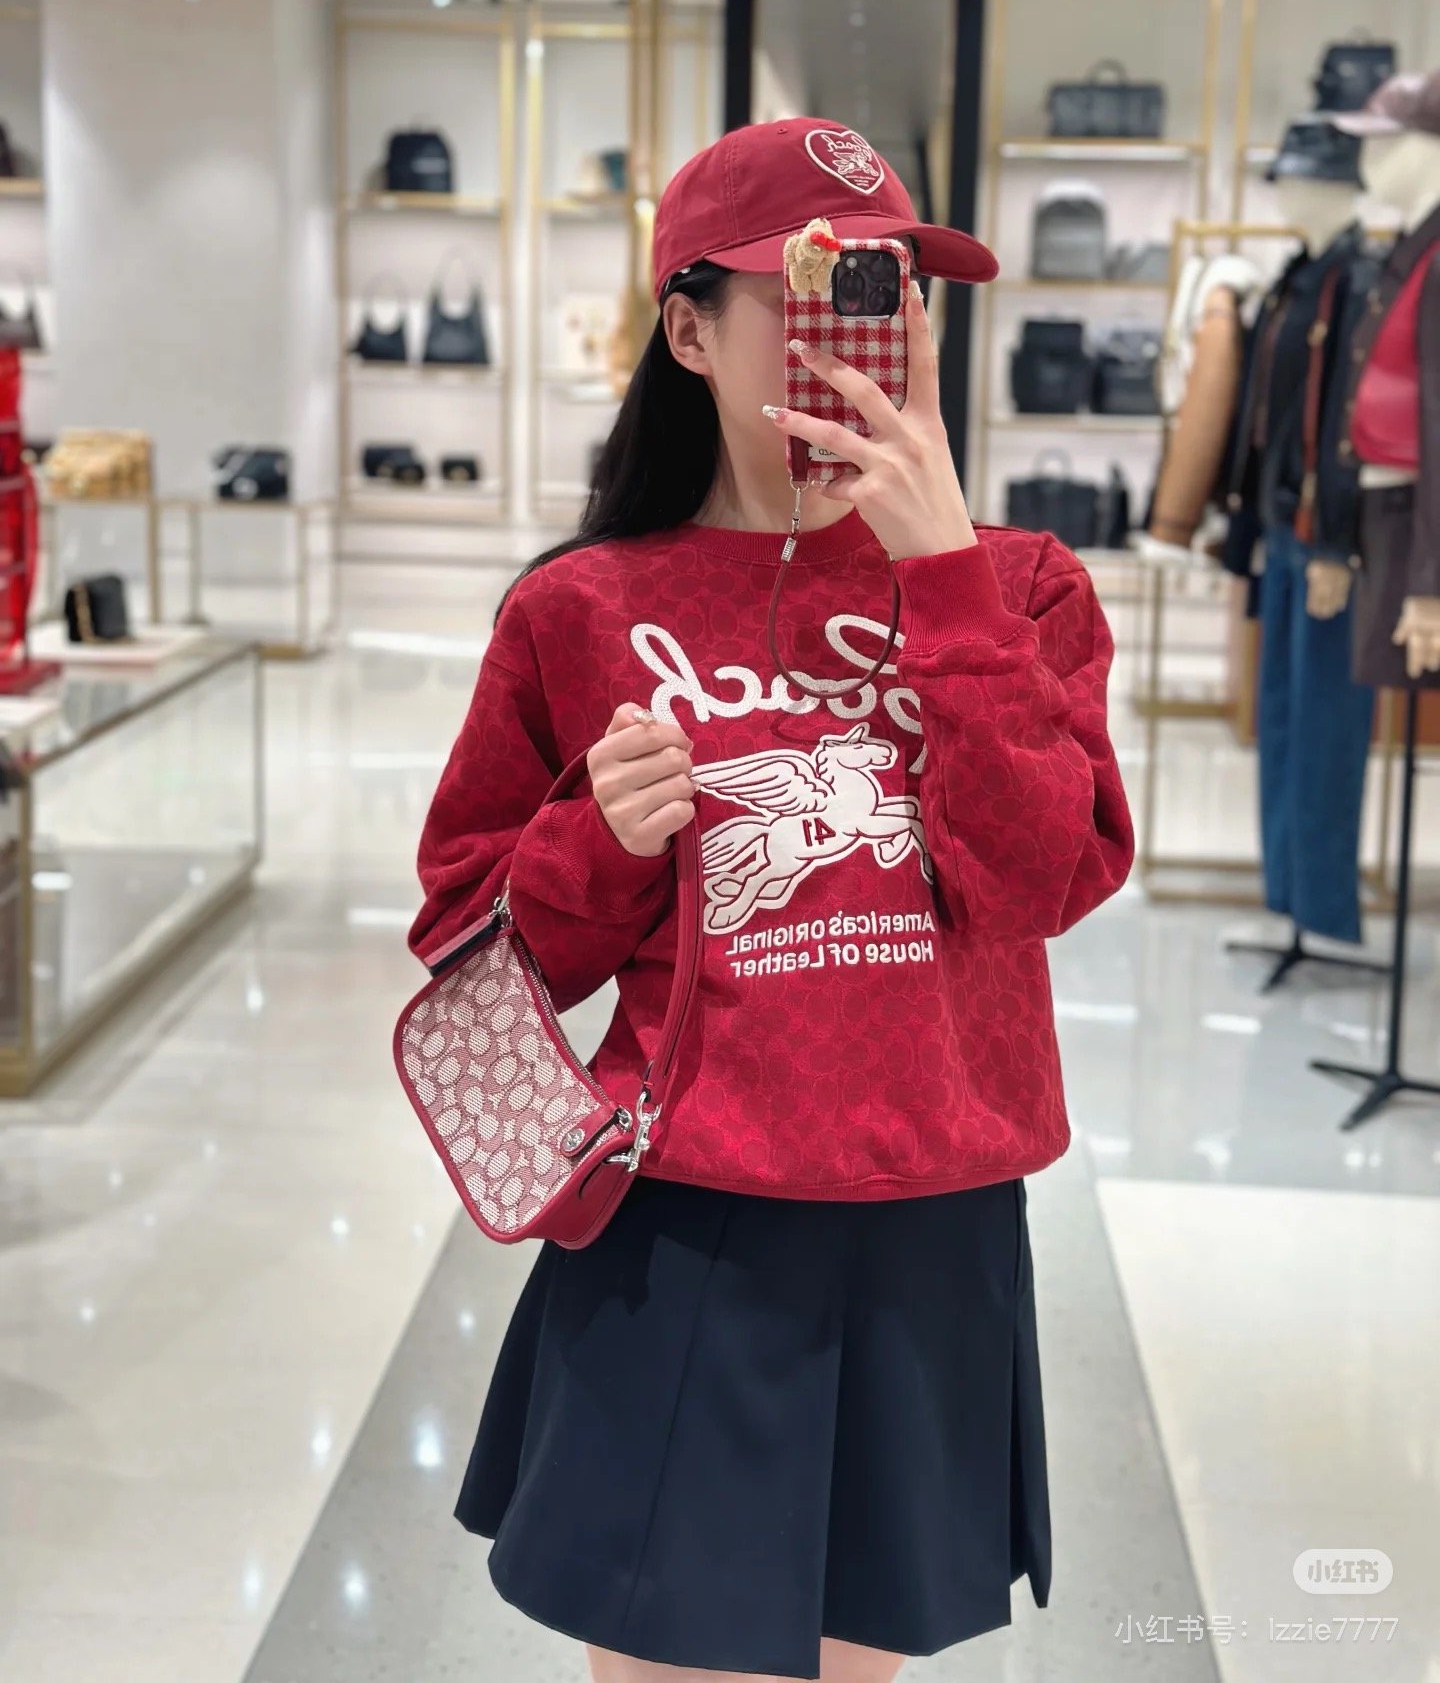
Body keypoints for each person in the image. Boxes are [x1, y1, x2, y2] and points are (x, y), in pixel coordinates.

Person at [408, 117, 1134, 1683]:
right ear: (689, 330)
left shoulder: (1023, 589)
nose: (858, 332)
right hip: (685, 1227)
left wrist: (943, 575)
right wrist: (599, 840)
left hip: (935, 1223)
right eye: (810, 289)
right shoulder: (580, 608)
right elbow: (472, 940)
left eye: (889, 290)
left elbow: (1038, 884)